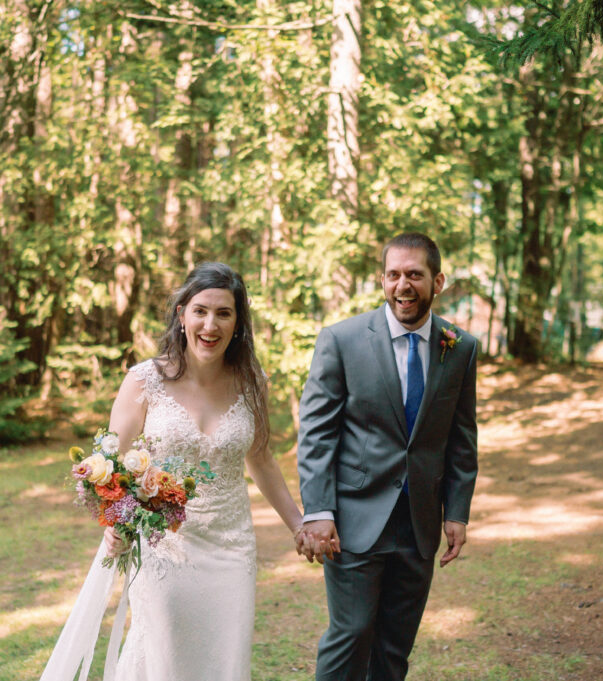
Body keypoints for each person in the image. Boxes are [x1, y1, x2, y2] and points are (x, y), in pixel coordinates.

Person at [101, 262, 305, 681]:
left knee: (223, 662)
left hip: (232, 549)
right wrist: (114, 518)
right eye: (200, 311)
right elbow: (109, 462)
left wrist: (298, 524)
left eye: (223, 313)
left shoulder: (253, 383)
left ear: (237, 323)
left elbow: (262, 459)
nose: (210, 325)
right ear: (182, 315)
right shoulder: (144, 380)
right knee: (164, 655)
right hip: (163, 545)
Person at [296, 232, 478, 681]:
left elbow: (461, 437)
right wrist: (318, 511)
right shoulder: (342, 340)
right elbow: (317, 433)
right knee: (352, 633)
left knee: (395, 648)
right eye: (394, 275)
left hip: (418, 523)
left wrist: (457, 511)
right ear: (382, 280)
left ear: (438, 282)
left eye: (415, 275)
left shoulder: (461, 347)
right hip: (354, 520)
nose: (404, 285)